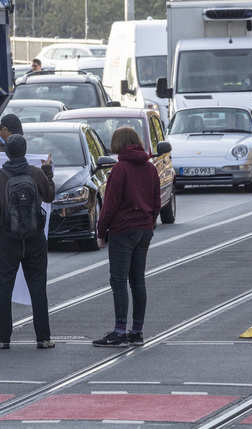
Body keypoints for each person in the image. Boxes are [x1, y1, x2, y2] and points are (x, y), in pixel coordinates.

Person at [0, 134, 55, 350]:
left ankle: (2, 338)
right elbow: (50, 195)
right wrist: (47, 172)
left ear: (7, 152)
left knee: (5, 290)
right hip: (34, 239)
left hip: (8, 240)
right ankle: (43, 338)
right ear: (25, 151)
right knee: (38, 288)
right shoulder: (35, 173)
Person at [94, 127, 160, 348]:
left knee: (119, 280)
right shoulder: (150, 169)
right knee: (137, 280)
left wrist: (101, 231)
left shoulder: (120, 169)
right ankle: (137, 331)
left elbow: (110, 204)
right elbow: (156, 202)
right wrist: (149, 223)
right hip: (144, 228)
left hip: (123, 230)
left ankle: (120, 331)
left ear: (118, 144)